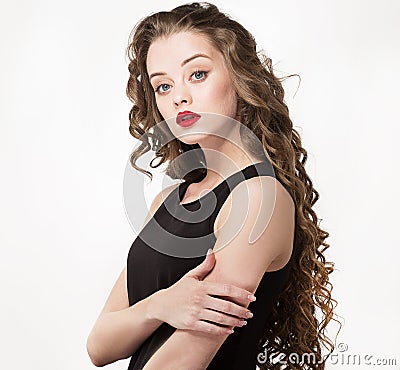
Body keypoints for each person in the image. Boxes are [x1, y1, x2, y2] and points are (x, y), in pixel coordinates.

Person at [87, 2, 341, 369]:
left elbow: (184, 363)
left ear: (239, 76)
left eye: (198, 74)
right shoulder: (166, 201)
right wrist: (162, 305)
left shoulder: (258, 198)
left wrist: (155, 311)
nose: (179, 97)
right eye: (163, 85)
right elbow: (99, 345)